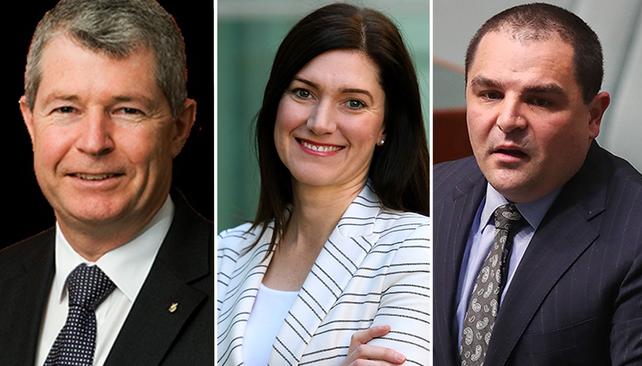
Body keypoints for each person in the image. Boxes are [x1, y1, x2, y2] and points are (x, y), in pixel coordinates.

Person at [432, 3, 642, 366]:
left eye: (539, 100)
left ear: (593, 115)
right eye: (490, 94)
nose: (508, 120)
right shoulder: (433, 192)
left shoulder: (640, 234)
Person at [0, 0, 212, 364]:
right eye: (66, 109)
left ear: (180, 127)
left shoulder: (237, 289)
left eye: (127, 110)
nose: (94, 142)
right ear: (30, 122)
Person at [217, 3, 430, 365]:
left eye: (353, 102)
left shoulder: (416, 250)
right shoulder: (224, 254)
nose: (320, 122)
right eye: (303, 93)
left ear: (385, 127)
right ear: (275, 103)